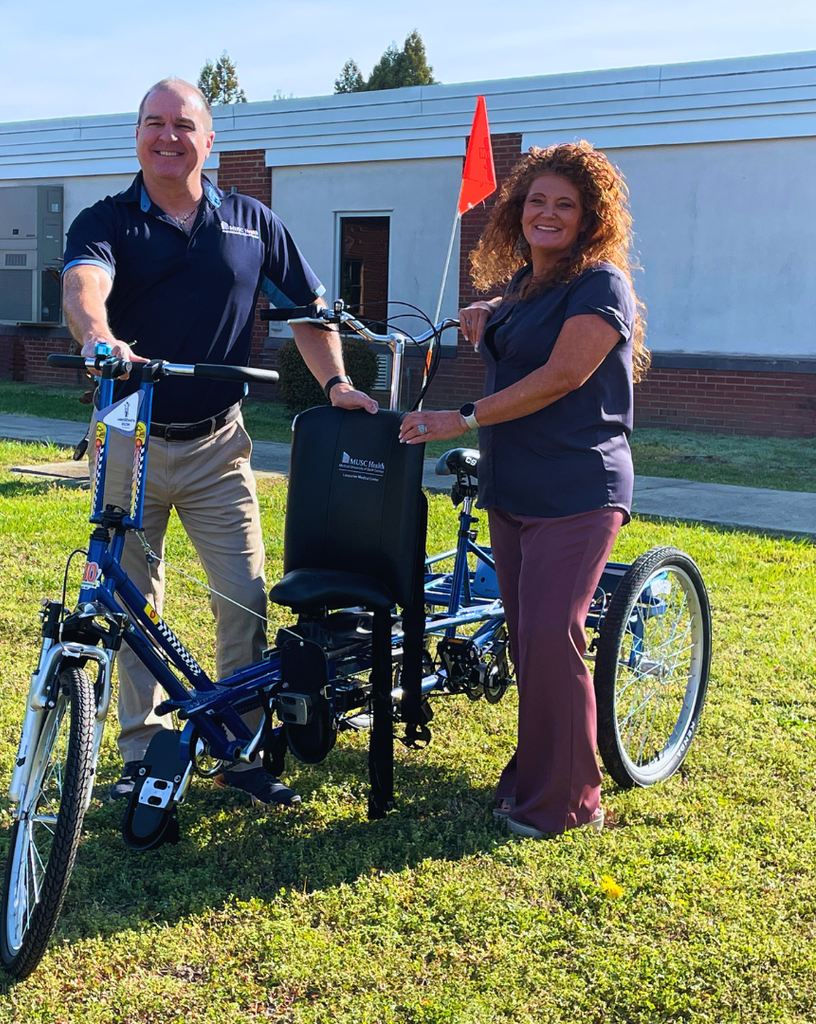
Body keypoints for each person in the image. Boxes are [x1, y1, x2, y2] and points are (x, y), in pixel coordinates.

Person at [62, 78, 377, 807]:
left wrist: (334, 384)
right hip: (128, 434)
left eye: (182, 126)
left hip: (217, 444)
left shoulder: (251, 222)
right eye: (152, 124)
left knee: (243, 597)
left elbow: (307, 309)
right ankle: (141, 755)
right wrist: (100, 337)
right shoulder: (106, 220)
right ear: (136, 136)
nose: (166, 137)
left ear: (210, 142)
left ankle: (239, 747)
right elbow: (85, 286)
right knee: (130, 601)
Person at [400, 141, 649, 838]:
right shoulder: (522, 287)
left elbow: (563, 374)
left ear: (590, 217)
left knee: (551, 632)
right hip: (512, 487)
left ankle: (571, 803)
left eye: (565, 205)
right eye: (537, 200)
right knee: (529, 642)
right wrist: (485, 310)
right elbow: (513, 320)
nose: (548, 213)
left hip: (578, 486)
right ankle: (536, 776)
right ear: (517, 209)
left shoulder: (601, 285)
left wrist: (463, 418)